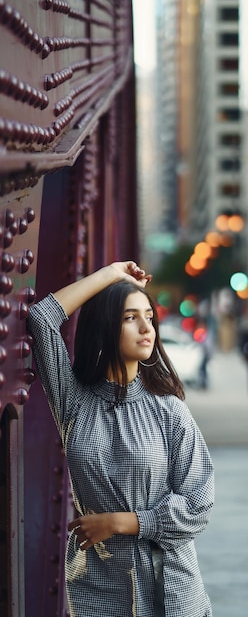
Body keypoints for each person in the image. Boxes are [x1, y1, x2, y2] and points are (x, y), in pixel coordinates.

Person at [27, 261, 214, 617]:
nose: (147, 328)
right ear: (106, 327)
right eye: (131, 318)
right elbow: (42, 319)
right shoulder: (74, 401)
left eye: (149, 317)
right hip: (97, 587)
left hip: (170, 591)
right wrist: (112, 274)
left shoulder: (169, 411)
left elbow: (198, 507)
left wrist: (119, 523)